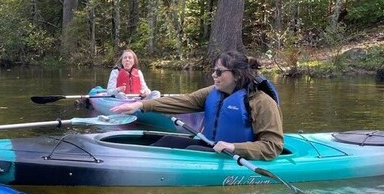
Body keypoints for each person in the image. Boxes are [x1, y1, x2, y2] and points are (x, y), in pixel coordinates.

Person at [111, 51, 283, 161]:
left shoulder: (262, 102)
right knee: (167, 140)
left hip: (234, 154)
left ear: (237, 75)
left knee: (192, 149)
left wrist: (234, 147)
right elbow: (184, 101)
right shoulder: (214, 92)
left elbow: (272, 146)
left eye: (219, 72)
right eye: (214, 70)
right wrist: (141, 104)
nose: (213, 75)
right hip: (212, 146)